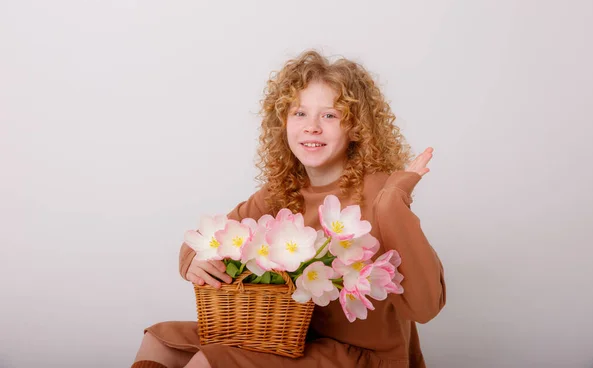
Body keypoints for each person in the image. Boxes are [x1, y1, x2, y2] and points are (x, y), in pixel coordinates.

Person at [132, 50, 446, 368]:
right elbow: (209, 235)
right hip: (293, 341)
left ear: (356, 128)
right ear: (282, 123)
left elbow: (426, 307)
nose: (312, 127)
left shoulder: (380, 192)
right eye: (299, 114)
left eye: (330, 115)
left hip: (364, 356)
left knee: (207, 361)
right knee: (160, 340)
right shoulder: (283, 192)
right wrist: (192, 259)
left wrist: (395, 200)